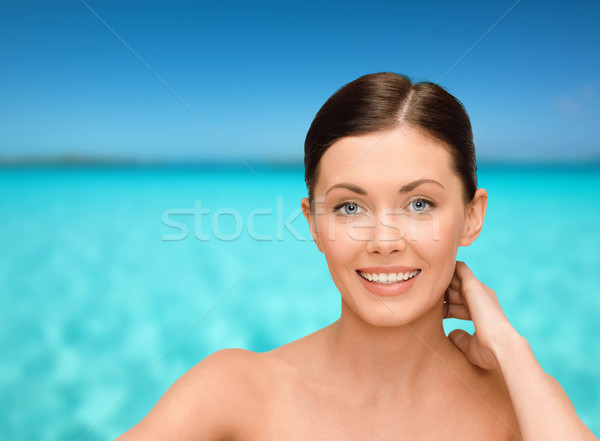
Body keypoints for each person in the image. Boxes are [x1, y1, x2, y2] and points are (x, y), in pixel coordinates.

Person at [116, 72, 598, 440]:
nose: (384, 241)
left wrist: (513, 351)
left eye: (419, 204)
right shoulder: (236, 391)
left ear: (472, 217)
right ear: (313, 224)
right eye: (350, 206)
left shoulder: (520, 406)